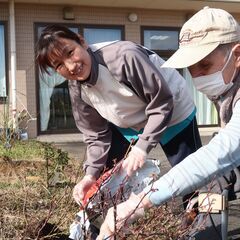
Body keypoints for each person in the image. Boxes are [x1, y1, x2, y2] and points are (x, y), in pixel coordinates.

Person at [97, 6, 240, 240]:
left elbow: (222, 152)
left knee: (212, 168)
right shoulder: (228, 85)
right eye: (191, 69)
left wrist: (138, 203)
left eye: (204, 65)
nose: (198, 77)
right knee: (212, 184)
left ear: (237, 55)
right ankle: (202, 233)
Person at [36, 24, 202, 206]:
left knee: (191, 176)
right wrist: (90, 175)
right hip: (130, 122)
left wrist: (142, 147)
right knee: (107, 174)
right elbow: (96, 134)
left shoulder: (123, 57)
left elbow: (161, 101)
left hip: (173, 110)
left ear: (82, 42)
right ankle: (112, 223)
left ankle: (198, 221)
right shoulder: (77, 88)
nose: (70, 66)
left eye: (70, 53)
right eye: (59, 64)